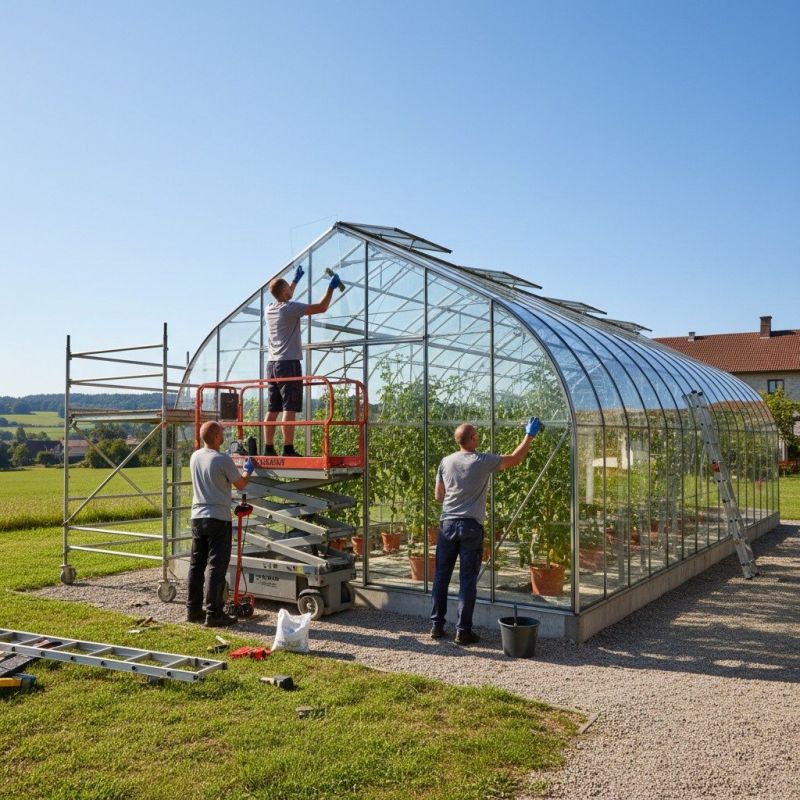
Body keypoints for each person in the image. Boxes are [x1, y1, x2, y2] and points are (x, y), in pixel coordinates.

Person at [430, 417, 543, 645]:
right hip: (470, 526)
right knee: (467, 579)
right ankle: (463, 631)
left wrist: (457, 494)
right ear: (472, 439)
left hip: (447, 524)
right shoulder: (481, 461)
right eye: (477, 434)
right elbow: (516, 459)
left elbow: (438, 496)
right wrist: (529, 435)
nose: (479, 436)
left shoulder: (445, 461)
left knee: (441, 577)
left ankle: (436, 626)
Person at [263, 264, 342, 456]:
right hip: (288, 364)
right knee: (289, 407)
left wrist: (294, 281)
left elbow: (284, 295)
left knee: (273, 408)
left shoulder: (269, 309)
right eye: (288, 289)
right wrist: (331, 288)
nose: (291, 291)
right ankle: (288, 449)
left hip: (272, 365)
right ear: (284, 292)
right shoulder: (289, 309)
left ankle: (268, 448)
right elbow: (322, 307)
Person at [187, 420, 255, 627]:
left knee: (196, 565)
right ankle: (214, 613)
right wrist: (248, 470)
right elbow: (240, 484)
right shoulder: (222, 459)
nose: (224, 435)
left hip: (197, 517)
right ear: (216, 437)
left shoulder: (195, 456)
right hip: (217, 517)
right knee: (216, 566)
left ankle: (193, 610)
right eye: (222, 432)